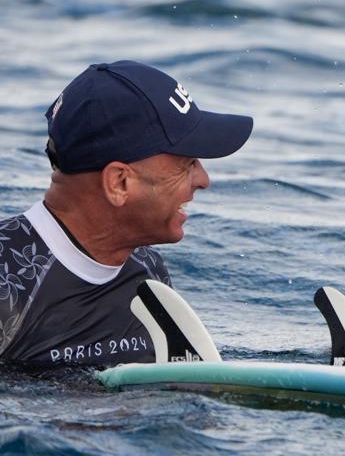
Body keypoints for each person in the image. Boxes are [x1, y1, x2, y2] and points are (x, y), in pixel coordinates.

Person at [0, 61, 252, 365]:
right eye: (186, 164)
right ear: (119, 182)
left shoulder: (146, 268)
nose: (204, 180)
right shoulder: (8, 284)